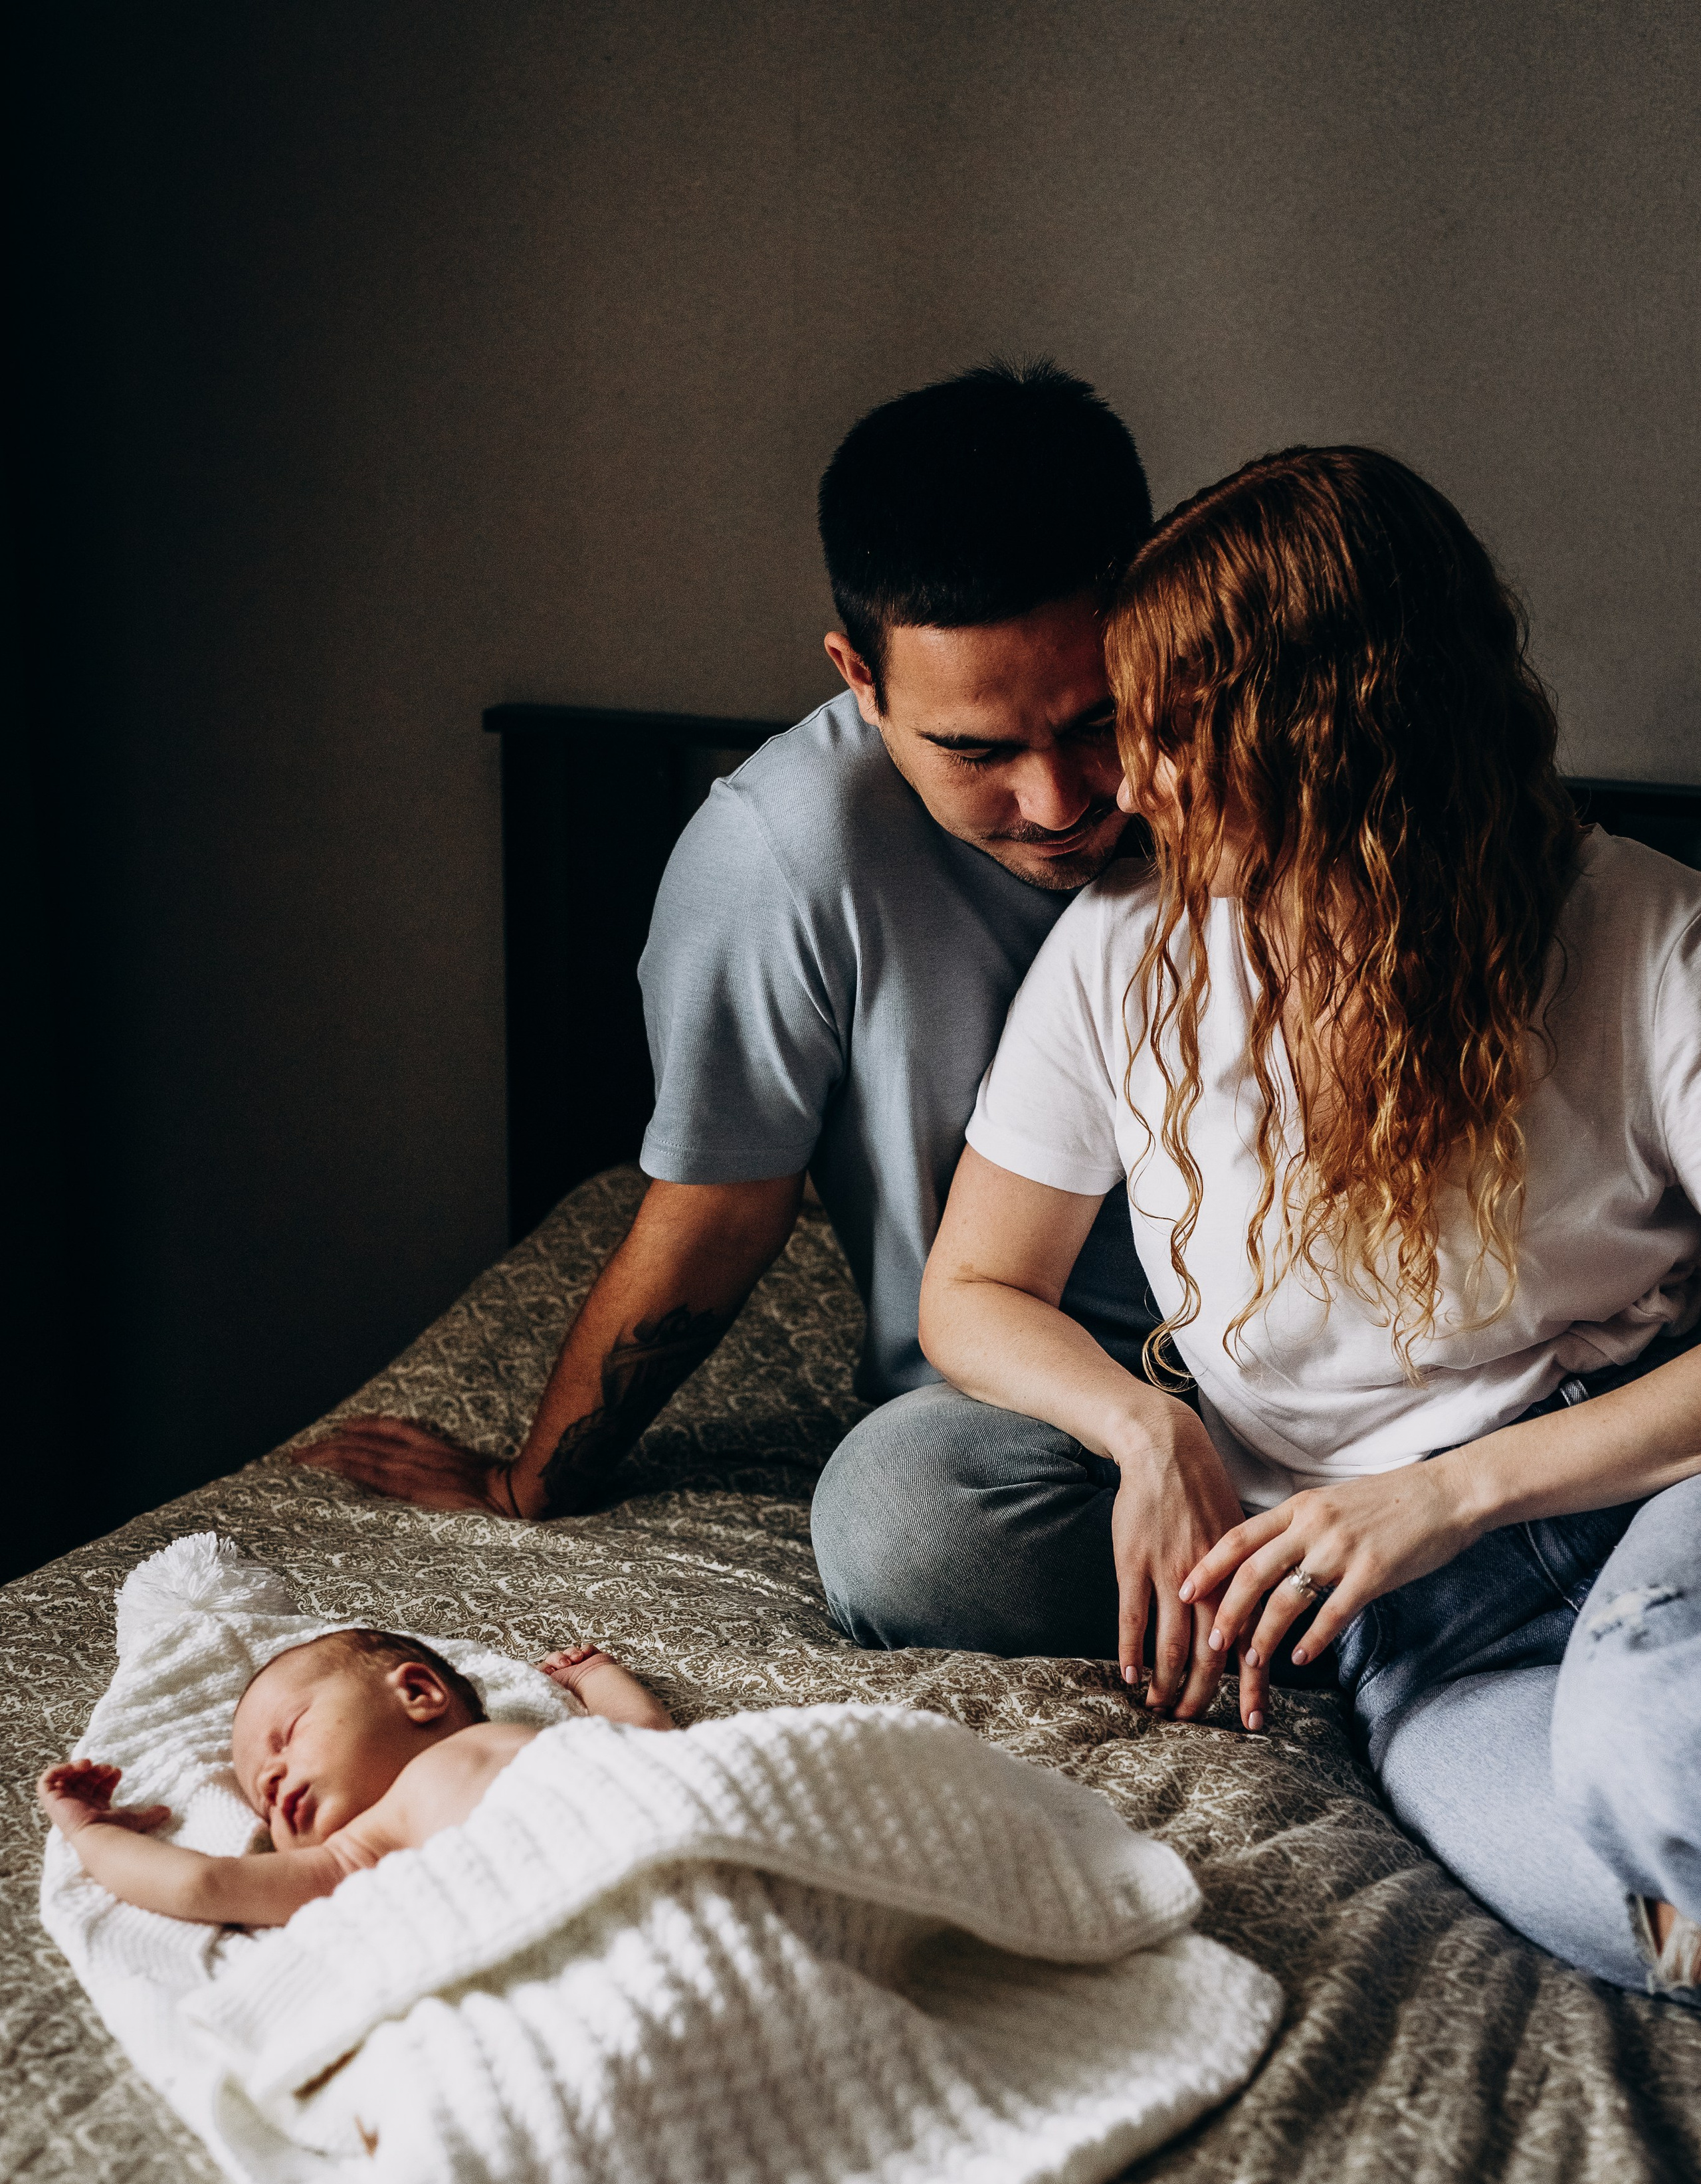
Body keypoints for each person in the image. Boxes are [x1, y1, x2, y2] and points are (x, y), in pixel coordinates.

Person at [812, 445, 1701, 1997]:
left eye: (1154, 732)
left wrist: (1448, 1494)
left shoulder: (1637, 927)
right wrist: (1148, 1435)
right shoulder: (1125, 943)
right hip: (1390, 1622)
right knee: (903, 1503)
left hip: (1627, 1496)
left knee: (1643, 1735)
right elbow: (971, 1289)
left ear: (1323, 739)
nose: (1118, 789)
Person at [296, 361, 1161, 1517]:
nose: (1058, 802)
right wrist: (529, 1484)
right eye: (978, 750)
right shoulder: (782, 854)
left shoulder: (1284, 760)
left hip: (1343, 1390)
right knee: (902, 1524)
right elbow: (720, 1208)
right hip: (1025, 1418)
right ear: (860, 677)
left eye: (1098, 721)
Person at [38, 1625, 672, 1926]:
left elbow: (647, 1744)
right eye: (261, 1792)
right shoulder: (359, 1852)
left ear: (419, 1693)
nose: (273, 1781)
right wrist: (90, 1832)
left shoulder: (535, 1746)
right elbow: (203, 1884)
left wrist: (591, 1675)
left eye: (286, 1737)